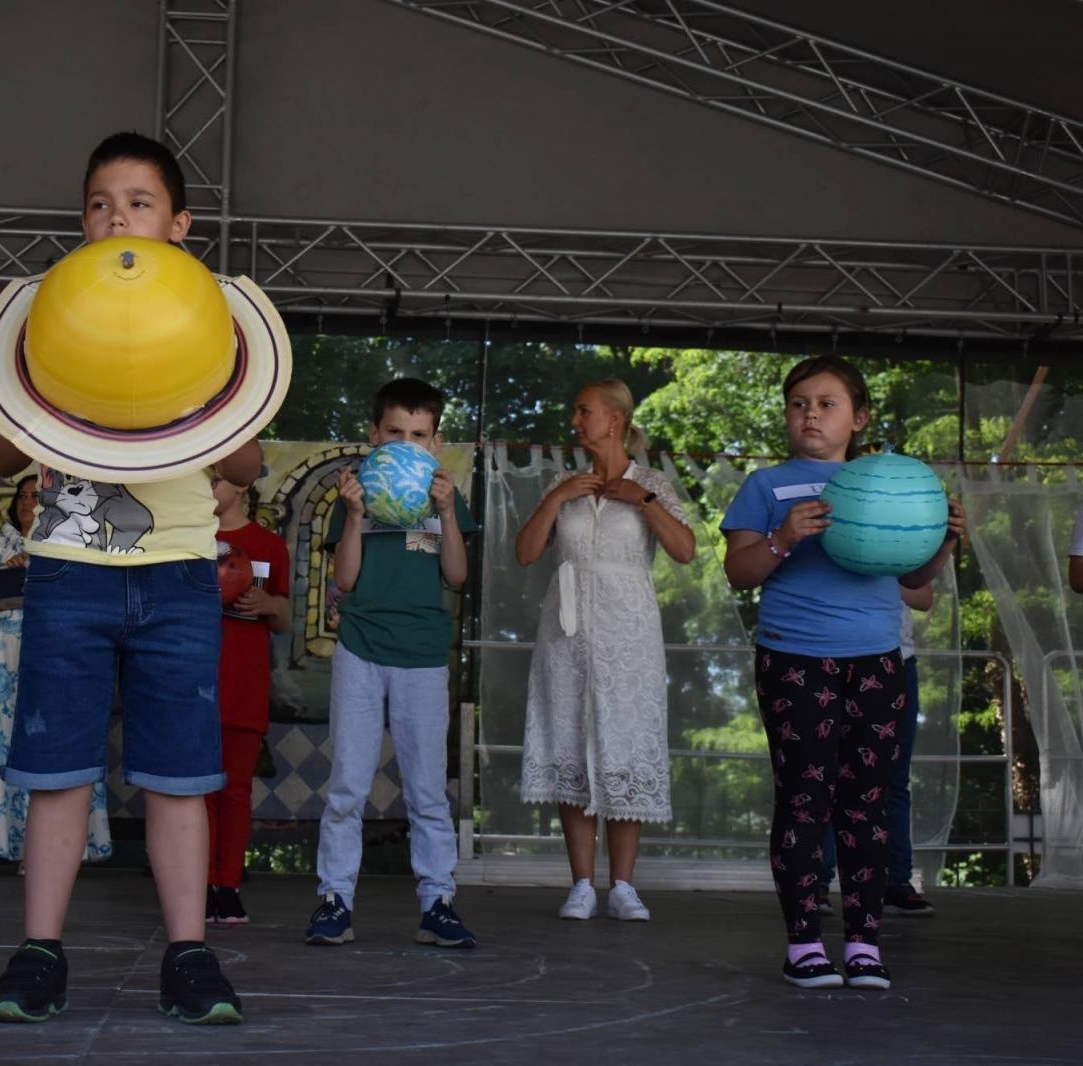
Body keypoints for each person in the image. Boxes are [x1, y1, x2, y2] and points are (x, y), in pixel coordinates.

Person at [0, 132, 267, 1026]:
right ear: (82, 223)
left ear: (178, 225)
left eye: (140, 203)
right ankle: (39, 954)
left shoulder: (210, 317)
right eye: (102, 204)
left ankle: (189, 956)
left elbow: (250, 460)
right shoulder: (50, 315)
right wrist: (53, 387)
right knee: (58, 769)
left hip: (179, 572)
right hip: (68, 572)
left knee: (182, 775)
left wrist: (198, 388)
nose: (119, 217)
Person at [720, 355, 965, 991]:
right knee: (806, 799)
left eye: (827, 404)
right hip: (795, 659)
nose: (811, 414)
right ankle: (804, 943)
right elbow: (738, 573)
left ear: (858, 418)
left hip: (879, 660)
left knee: (867, 803)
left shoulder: (888, 482)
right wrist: (783, 538)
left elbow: (913, 581)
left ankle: (863, 943)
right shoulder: (766, 485)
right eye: (799, 403)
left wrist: (940, 542)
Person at [306, 377, 480, 949]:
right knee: (347, 788)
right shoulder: (356, 495)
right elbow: (346, 580)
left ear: (434, 442)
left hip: (424, 656)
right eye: (395, 432)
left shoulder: (443, 499)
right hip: (360, 648)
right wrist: (354, 517)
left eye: (419, 434)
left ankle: (438, 903)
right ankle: (335, 899)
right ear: (373, 435)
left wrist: (448, 514)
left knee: (428, 791)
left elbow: (456, 576)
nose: (407, 441)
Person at [513, 379, 695, 922]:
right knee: (569, 743)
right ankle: (580, 885)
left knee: (624, 743)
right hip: (565, 635)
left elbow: (684, 550)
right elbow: (525, 554)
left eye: (583, 410)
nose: (575, 420)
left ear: (614, 419)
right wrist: (555, 498)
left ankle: (623, 885)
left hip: (629, 636)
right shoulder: (563, 483)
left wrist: (641, 499)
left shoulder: (652, 482)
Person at [0, 473, 112, 874]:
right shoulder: (2, 541)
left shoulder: (70, 539)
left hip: (54, 646)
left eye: (37, 496)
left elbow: (91, 590)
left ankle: (46, 850)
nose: (28, 503)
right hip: (3, 653)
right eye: (23, 496)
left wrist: (40, 569)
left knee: (50, 740)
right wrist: (8, 568)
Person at [818, 587, 936, 917]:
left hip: (897, 658)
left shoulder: (903, 540)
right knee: (824, 774)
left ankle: (896, 881)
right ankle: (817, 883)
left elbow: (924, 598)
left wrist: (879, 573)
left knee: (893, 778)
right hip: (828, 656)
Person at [205, 475, 290, 924]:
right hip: (192, 684)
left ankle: (227, 885)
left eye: (216, 478)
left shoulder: (269, 545)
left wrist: (267, 604)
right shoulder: (184, 538)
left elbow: (284, 616)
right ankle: (196, 884)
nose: (208, 485)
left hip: (244, 684)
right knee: (195, 792)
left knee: (235, 791)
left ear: (241, 486)